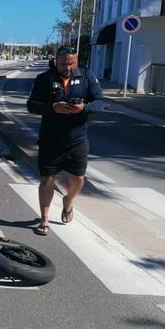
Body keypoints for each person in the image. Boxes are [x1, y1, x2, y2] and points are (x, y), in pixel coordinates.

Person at [26, 46, 105, 236]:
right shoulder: (44, 79)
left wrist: (83, 108)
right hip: (50, 139)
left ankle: (68, 202)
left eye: (71, 63)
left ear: (76, 60)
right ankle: (44, 220)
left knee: (78, 178)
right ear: (56, 62)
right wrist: (52, 107)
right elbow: (31, 105)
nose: (67, 67)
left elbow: (100, 103)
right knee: (47, 179)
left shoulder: (87, 76)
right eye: (63, 64)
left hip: (77, 139)